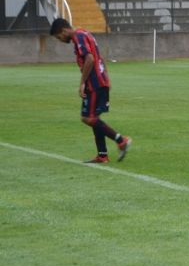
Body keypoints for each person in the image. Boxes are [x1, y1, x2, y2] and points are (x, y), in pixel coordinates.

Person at [49, 18, 131, 163]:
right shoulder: (84, 33)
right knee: (94, 118)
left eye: (58, 37)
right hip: (100, 82)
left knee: (88, 118)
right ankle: (102, 155)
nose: (60, 40)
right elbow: (100, 57)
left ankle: (121, 140)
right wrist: (107, 77)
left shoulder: (78, 37)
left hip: (94, 84)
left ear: (63, 30)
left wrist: (81, 84)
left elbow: (91, 59)